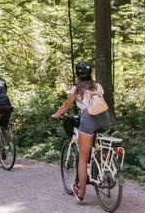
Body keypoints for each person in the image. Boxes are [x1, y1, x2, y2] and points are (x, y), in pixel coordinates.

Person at [50, 61, 111, 203]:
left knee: (83, 159)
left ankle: (81, 193)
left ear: (78, 74)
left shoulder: (76, 88)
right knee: (95, 146)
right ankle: (103, 167)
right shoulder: (98, 86)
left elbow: (67, 104)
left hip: (89, 119)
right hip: (105, 119)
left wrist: (56, 115)